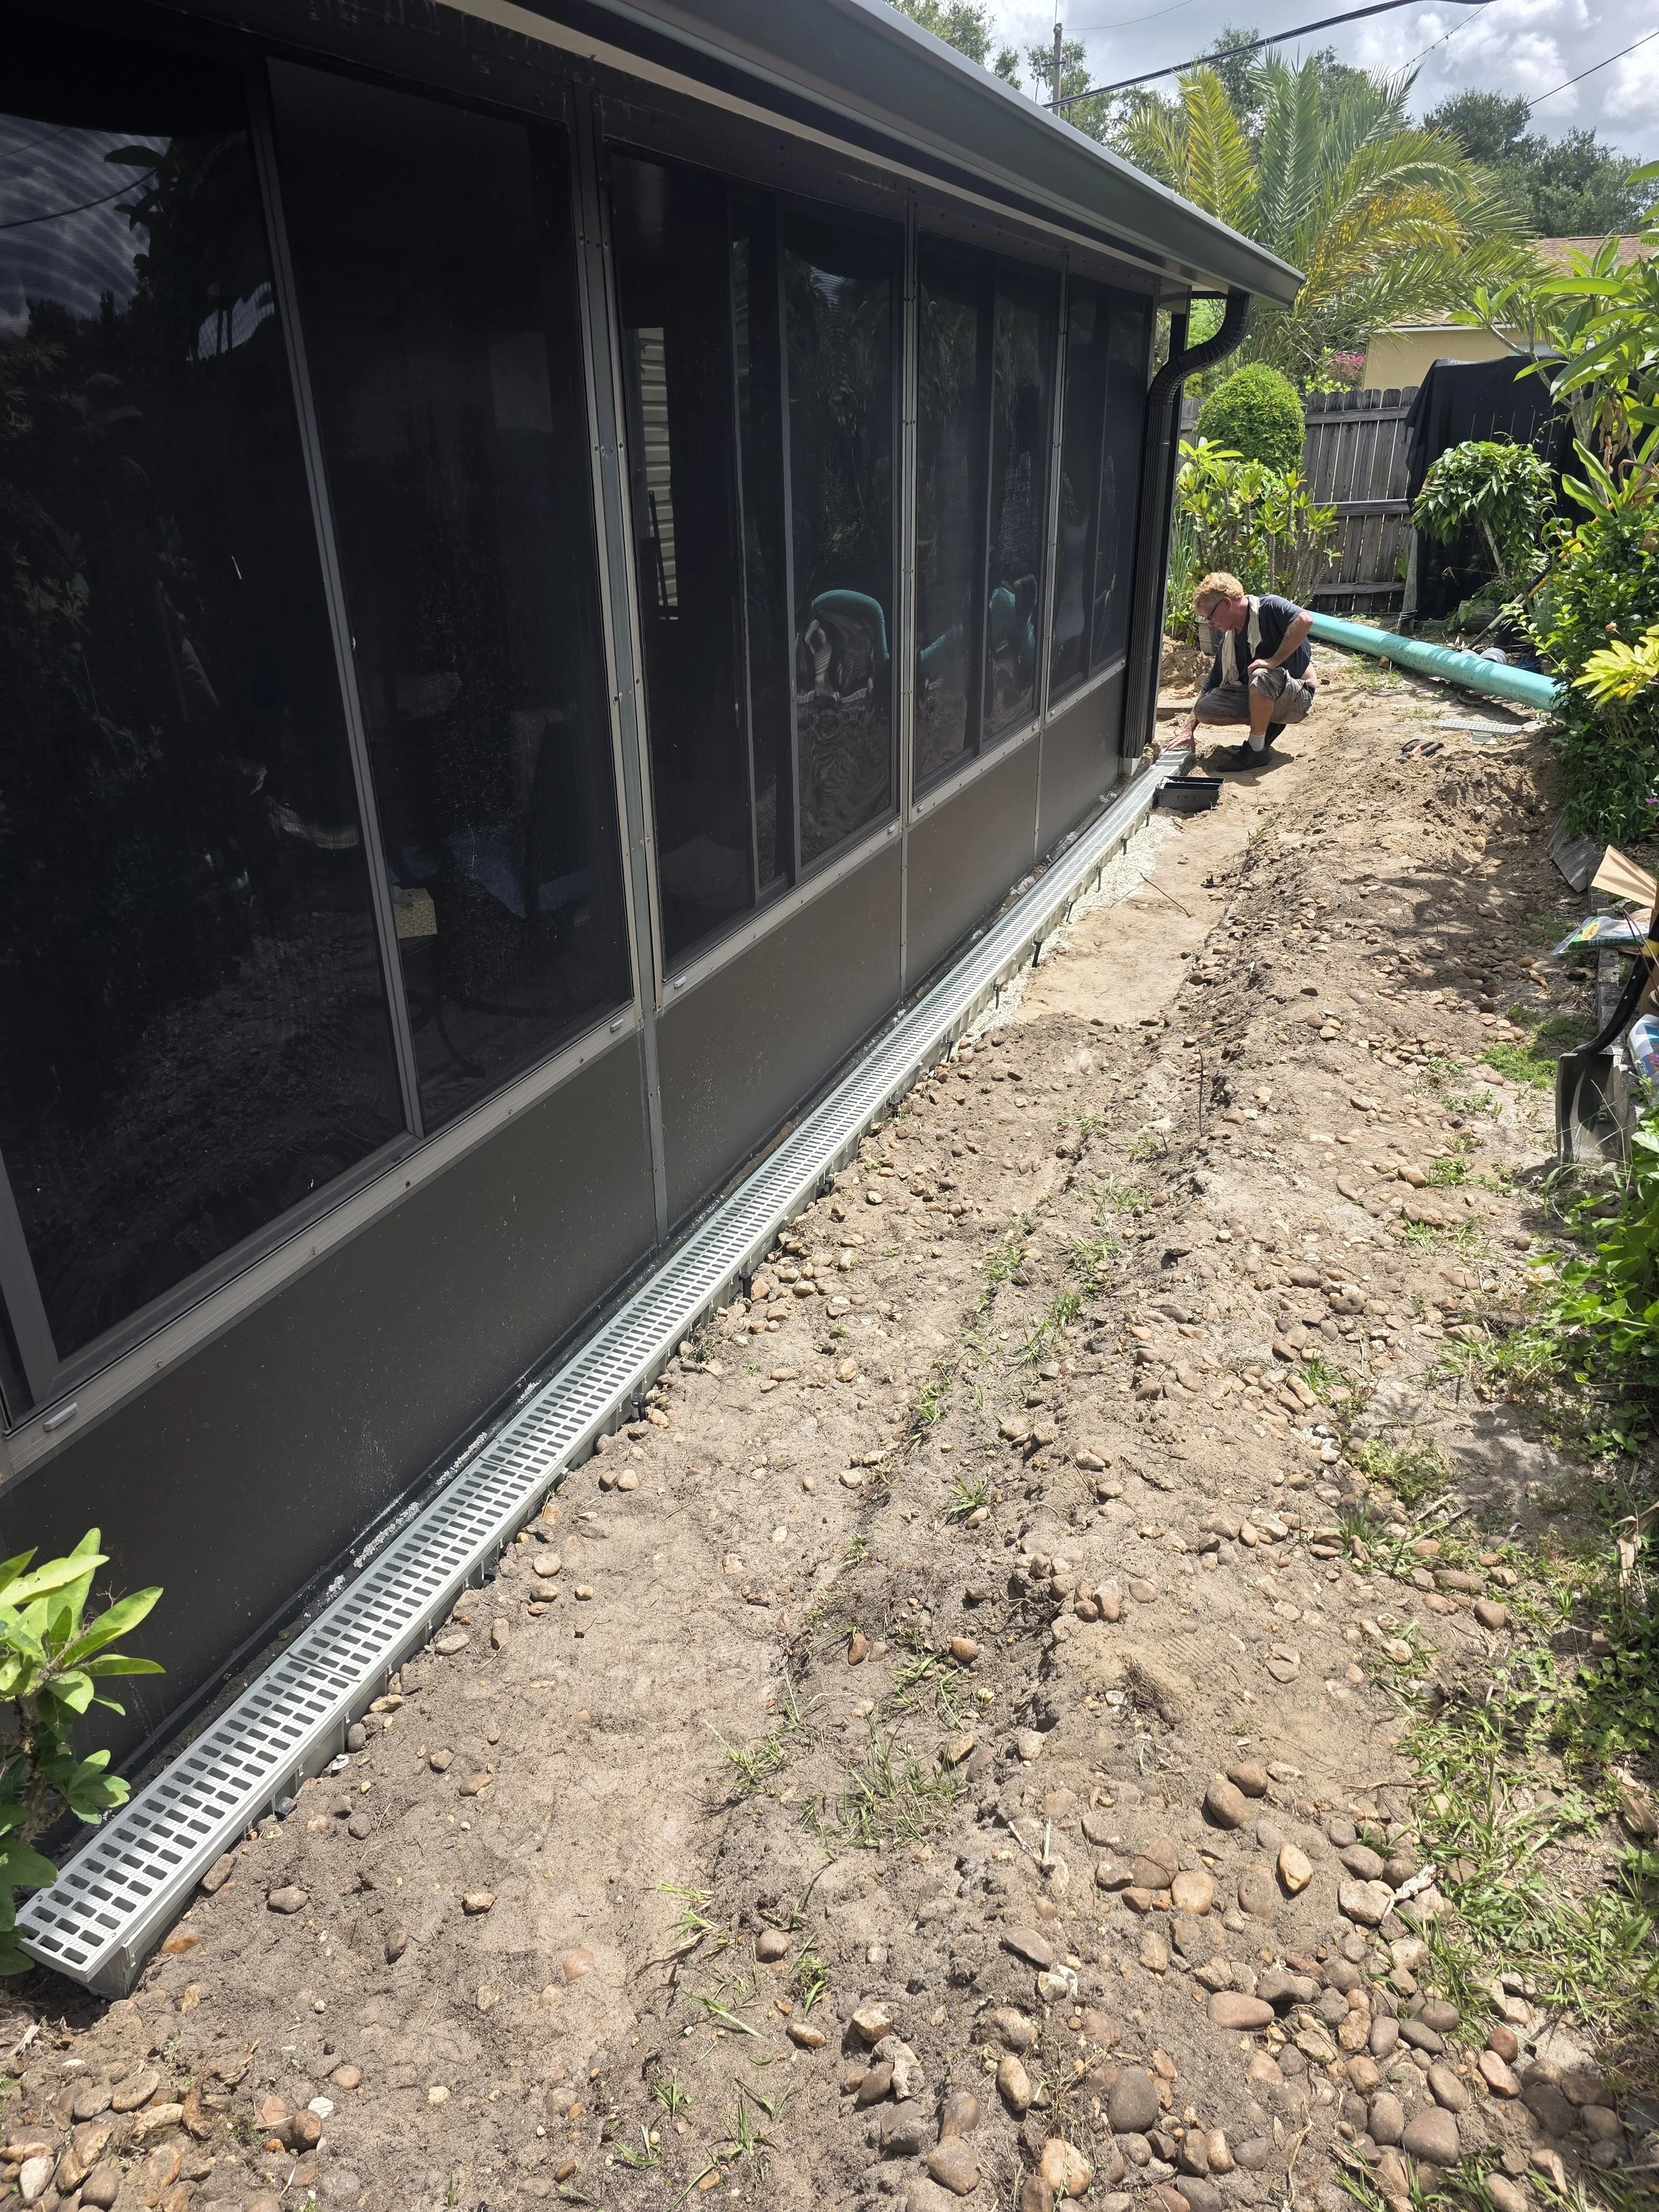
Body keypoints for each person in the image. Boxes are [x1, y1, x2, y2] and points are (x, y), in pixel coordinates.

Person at [1175, 572, 1316, 771]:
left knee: (1260, 676)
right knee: (1205, 709)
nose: (1210, 623)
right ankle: (1267, 724)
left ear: (1226, 603)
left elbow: (1305, 620)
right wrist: (1188, 731)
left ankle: (1256, 751)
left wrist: (1273, 661)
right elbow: (1210, 687)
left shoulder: (1269, 607)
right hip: (1266, 693)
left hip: (1297, 695)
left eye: (1210, 616)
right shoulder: (1229, 640)